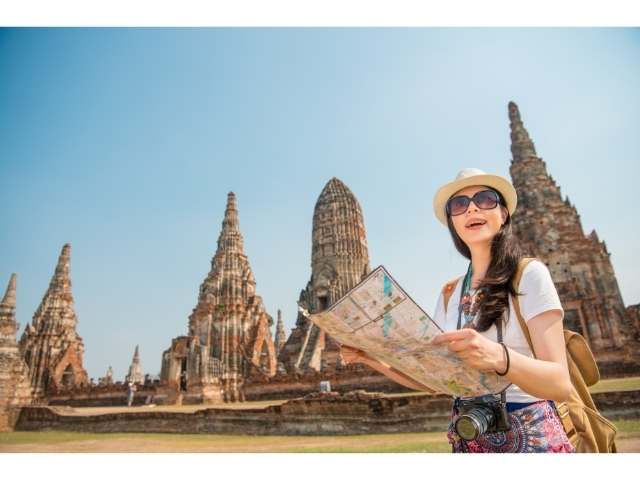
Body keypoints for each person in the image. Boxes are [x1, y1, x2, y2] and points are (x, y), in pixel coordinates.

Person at [341, 168, 574, 453]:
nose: (472, 208)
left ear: (503, 214)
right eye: (459, 204)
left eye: (485, 199)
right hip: (469, 434)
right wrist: (369, 356)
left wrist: (498, 357)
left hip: (530, 435)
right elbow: (433, 379)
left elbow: (561, 382)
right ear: (453, 223)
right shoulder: (450, 292)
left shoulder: (528, 274)